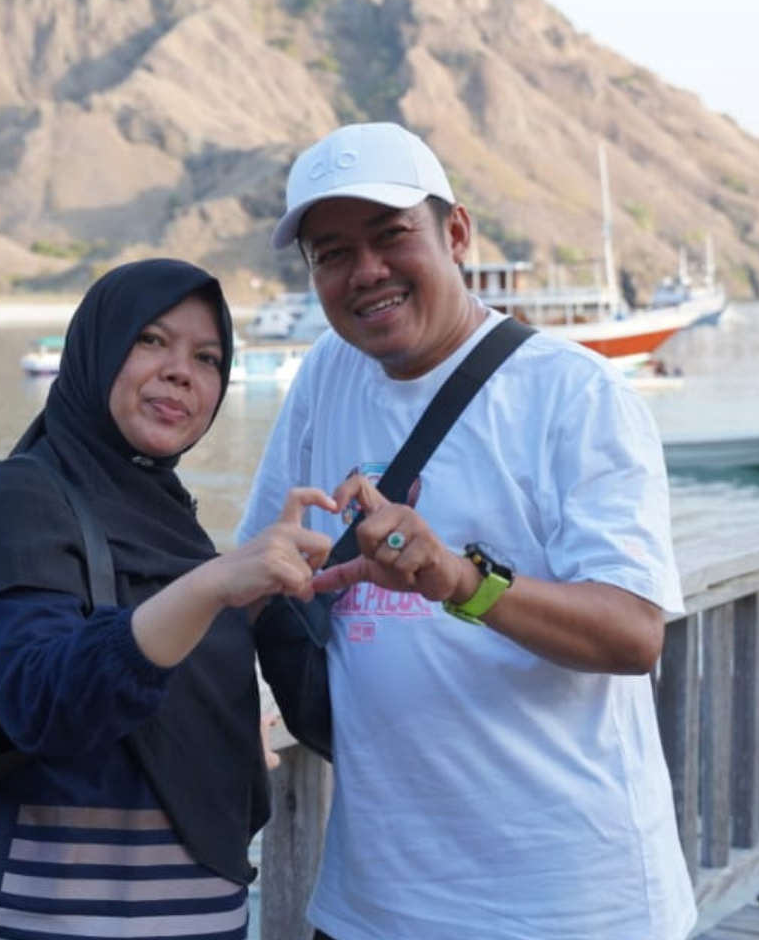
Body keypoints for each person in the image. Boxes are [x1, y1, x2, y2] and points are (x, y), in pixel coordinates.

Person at [241, 122, 696, 939]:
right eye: (332, 253)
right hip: (372, 905)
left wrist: (459, 580)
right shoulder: (325, 375)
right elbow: (253, 565)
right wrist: (224, 696)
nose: (366, 271)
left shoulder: (575, 394)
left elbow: (634, 634)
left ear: (456, 233)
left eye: (391, 235)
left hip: (569, 908)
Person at [0, 259, 334, 940]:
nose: (181, 372)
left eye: (207, 357)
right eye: (151, 340)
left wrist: (296, 592)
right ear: (96, 349)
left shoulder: (171, 523)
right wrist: (214, 584)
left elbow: (185, 698)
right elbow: (39, 699)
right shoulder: (18, 500)